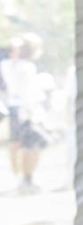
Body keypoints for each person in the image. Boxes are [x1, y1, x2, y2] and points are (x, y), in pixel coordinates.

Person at [0, 33, 47, 192]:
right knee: (32, 144)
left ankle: (20, 177)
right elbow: (29, 93)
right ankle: (26, 179)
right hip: (27, 111)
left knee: (17, 144)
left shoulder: (7, 65)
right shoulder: (27, 67)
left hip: (14, 108)